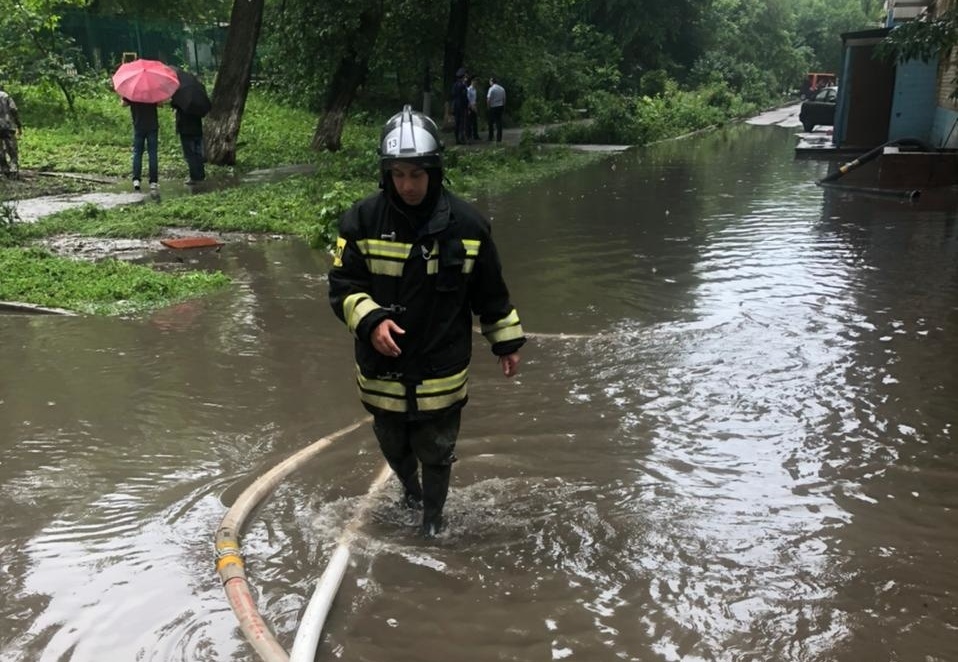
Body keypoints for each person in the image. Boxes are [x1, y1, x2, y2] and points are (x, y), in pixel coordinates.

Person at [328, 105, 525, 538]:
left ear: (434, 171)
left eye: (416, 174)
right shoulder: (360, 222)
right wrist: (371, 321)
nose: (407, 185)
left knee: (437, 451)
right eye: (398, 174)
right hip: (382, 370)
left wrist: (506, 343)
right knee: (393, 445)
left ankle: (433, 524)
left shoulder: (469, 226)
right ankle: (410, 491)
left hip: (441, 369)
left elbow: (490, 292)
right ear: (386, 174)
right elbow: (342, 286)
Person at [122, 98, 160, 191]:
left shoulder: (133, 92)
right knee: (152, 153)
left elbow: (123, 104)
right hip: (152, 125)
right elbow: (160, 104)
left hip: (138, 124)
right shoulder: (153, 92)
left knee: (137, 153)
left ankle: (136, 180)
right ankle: (153, 182)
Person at [171, 100, 205, 185]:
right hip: (197, 128)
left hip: (186, 130)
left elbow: (173, 104)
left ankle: (194, 177)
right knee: (198, 153)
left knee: (190, 154)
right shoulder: (198, 98)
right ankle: (201, 175)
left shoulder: (182, 97)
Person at [0, 82, 23, 179]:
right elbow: (13, 109)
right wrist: (18, 124)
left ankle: (4, 169)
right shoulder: (5, 96)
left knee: (0, 150)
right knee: (12, 149)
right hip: (7, 125)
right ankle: (14, 170)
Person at [451, 67, 469, 145]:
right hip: (461, 106)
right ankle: (462, 138)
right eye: (465, 76)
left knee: (457, 123)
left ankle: (457, 139)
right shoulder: (463, 85)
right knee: (462, 123)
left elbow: (453, 94)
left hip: (456, 105)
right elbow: (464, 97)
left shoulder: (455, 84)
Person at [487, 76, 506, 143]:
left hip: (493, 107)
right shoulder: (502, 88)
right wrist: (503, 106)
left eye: (490, 81)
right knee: (499, 122)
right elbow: (504, 99)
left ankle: (491, 136)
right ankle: (499, 138)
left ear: (492, 82)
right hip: (500, 106)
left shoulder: (491, 89)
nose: (489, 83)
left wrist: (488, 107)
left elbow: (488, 99)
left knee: (490, 122)